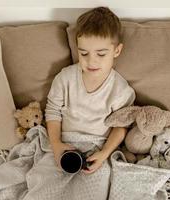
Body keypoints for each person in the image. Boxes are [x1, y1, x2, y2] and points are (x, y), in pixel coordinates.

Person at [24, 7, 136, 200]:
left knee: (94, 192)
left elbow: (121, 126)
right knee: (42, 186)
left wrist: (104, 154)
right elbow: (52, 112)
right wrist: (57, 144)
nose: (91, 62)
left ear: (116, 51)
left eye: (101, 54)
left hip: (97, 147)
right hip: (64, 141)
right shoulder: (65, 78)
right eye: (84, 53)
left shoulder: (120, 90)